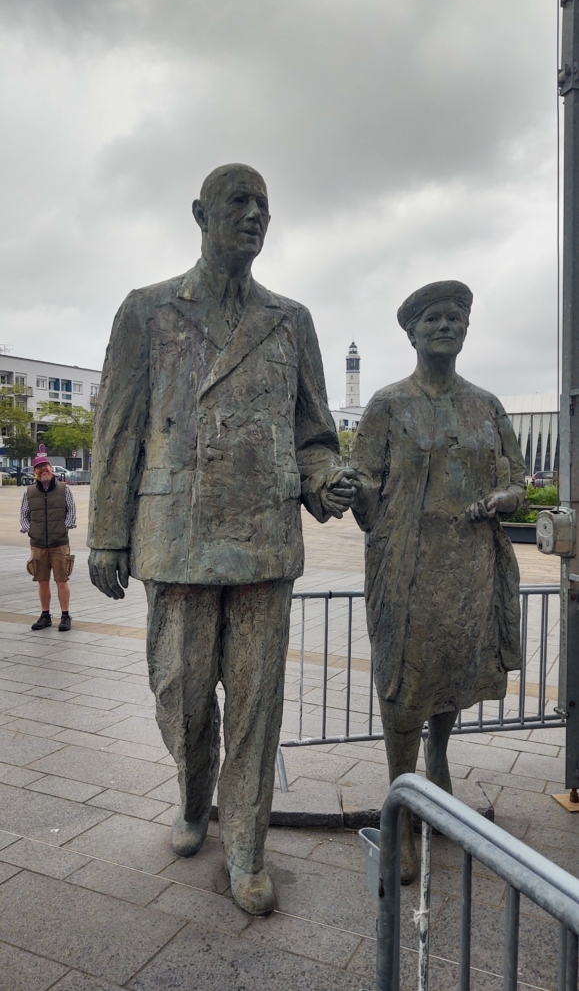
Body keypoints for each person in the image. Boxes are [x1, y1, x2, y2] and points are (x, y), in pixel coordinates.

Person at [87, 163, 357, 915]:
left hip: (262, 536)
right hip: (176, 534)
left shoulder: (289, 319)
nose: (254, 215)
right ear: (200, 213)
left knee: (256, 703)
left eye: (264, 204)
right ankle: (191, 794)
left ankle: (245, 845)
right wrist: (107, 534)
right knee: (180, 694)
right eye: (239, 201)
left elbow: (314, 433)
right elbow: (117, 430)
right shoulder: (147, 311)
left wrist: (325, 475)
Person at [351, 280, 526, 883]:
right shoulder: (388, 404)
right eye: (433, 319)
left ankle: (441, 763)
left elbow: (519, 477)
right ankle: (400, 808)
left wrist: (506, 495)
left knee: (454, 671)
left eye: (455, 318)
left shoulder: (487, 405)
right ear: (412, 332)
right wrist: (359, 493)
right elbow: (364, 482)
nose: (445, 327)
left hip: (469, 567)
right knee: (404, 680)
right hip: (407, 566)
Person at [20, 446, 76, 632]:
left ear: (51, 468)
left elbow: (71, 511)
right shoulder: (29, 492)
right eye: (39, 467)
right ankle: (45, 615)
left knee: (62, 580)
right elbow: (24, 515)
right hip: (38, 544)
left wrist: (65, 526)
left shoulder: (63, 489)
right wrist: (30, 529)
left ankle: (65, 616)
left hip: (59, 543)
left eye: (45, 466)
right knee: (42, 581)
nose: (43, 469)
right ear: (35, 472)